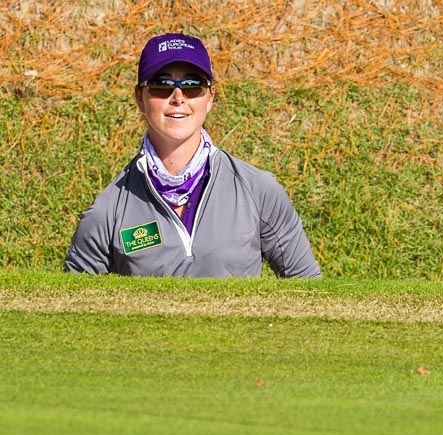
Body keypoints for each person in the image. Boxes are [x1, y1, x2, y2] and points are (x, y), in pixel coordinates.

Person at [64, 33, 321, 278]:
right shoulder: (109, 208)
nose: (178, 97)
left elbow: (308, 291)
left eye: (192, 85)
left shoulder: (258, 190)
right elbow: (72, 307)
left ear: (210, 97)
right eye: (161, 85)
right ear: (140, 98)